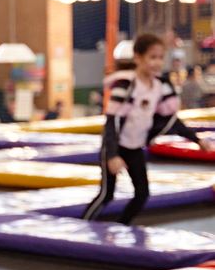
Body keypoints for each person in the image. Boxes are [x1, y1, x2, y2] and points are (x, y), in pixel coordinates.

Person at [82, 33, 213, 225]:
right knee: (106, 195)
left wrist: (197, 140)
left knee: (142, 194)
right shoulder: (126, 86)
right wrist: (112, 155)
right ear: (138, 58)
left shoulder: (159, 87)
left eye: (160, 58)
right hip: (116, 146)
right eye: (152, 57)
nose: (157, 63)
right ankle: (81, 227)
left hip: (134, 147)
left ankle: (121, 227)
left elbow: (171, 120)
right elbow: (112, 122)